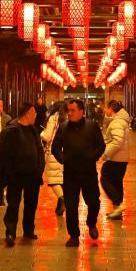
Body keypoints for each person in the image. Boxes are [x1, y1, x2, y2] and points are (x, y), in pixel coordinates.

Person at [51, 98, 105, 246]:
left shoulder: (91, 126)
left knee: (94, 202)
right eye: (68, 110)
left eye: (73, 110)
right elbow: (55, 147)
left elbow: (101, 145)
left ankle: (91, 223)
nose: (70, 113)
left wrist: (92, 157)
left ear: (81, 111)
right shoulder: (63, 127)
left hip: (88, 172)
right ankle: (74, 235)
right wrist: (63, 159)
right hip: (70, 174)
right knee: (71, 206)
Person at [0, 102, 46, 246]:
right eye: (34, 113)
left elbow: (40, 150)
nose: (36, 116)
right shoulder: (11, 131)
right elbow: (5, 155)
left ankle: (28, 230)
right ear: (28, 114)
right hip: (16, 175)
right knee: (13, 204)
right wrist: (8, 174)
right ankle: (10, 232)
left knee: (31, 204)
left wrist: (40, 168)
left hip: (33, 175)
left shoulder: (33, 130)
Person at [100, 99, 131, 219]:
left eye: (106, 108)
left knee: (105, 178)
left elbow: (117, 141)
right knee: (117, 183)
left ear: (111, 109)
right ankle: (117, 210)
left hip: (116, 158)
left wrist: (105, 154)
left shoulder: (117, 122)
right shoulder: (120, 120)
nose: (104, 110)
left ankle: (117, 204)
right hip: (121, 158)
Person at [41, 100, 67, 216]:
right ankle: (60, 204)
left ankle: (62, 198)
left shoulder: (53, 118)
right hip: (67, 150)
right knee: (62, 179)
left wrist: (41, 133)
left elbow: (47, 136)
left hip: (54, 151)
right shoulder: (69, 117)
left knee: (53, 179)